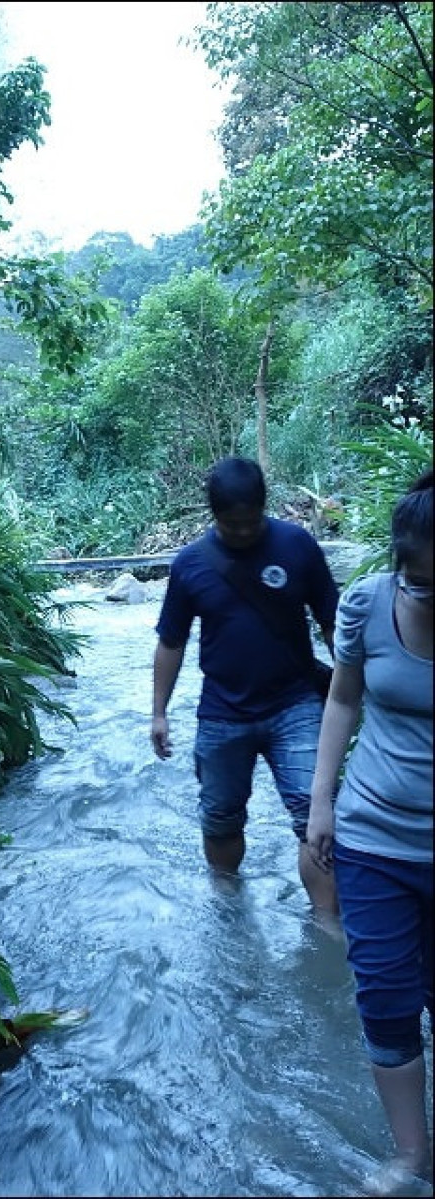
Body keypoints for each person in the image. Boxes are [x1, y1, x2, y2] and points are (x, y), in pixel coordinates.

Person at [306, 470, 433, 1193]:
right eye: (418, 580)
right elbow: (342, 699)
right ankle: (412, 1155)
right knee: (385, 1000)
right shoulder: (366, 605)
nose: (427, 597)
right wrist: (321, 802)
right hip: (374, 837)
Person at [150, 456, 339, 915]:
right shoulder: (191, 564)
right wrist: (158, 712)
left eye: (250, 522)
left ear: (264, 507)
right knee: (219, 818)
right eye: (230, 524)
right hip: (221, 712)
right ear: (213, 515)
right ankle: (228, 906)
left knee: (314, 817)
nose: (241, 532)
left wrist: (359, 694)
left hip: (296, 704)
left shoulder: (297, 547)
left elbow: (336, 627)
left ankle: (327, 927)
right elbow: (171, 642)